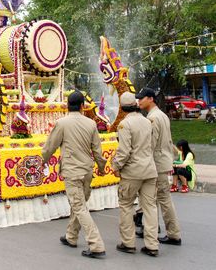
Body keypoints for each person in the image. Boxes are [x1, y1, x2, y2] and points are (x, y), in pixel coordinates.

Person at [42, 90, 108, 259]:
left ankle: (96, 244)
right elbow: (98, 151)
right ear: (82, 106)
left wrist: (43, 161)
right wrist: (101, 168)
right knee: (79, 205)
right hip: (87, 171)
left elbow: (50, 147)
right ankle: (71, 236)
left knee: (79, 207)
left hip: (72, 171)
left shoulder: (62, 123)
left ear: (67, 105)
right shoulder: (91, 124)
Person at [111, 92, 159, 257]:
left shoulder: (125, 124)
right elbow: (151, 145)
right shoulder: (147, 121)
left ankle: (128, 243)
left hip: (132, 173)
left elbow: (124, 151)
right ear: (136, 104)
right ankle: (152, 245)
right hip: (149, 170)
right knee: (150, 207)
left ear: (122, 107)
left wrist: (116, 166)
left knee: (126, 205)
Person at [136, 87, 182, 246]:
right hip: (164, 161)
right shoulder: (162, 115)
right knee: (159, 199)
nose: (139, 101)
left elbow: (151, 144)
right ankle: (161, 231)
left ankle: (168, 233)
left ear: (150, 98)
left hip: (156, 164)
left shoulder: (153, 118)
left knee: (157, 199)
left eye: (141, 98)